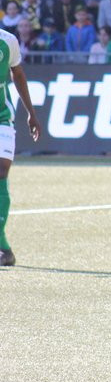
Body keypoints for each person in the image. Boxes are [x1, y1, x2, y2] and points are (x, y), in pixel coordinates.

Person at [0, 28, 43, 266]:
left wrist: (31, 113)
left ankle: (2, 249)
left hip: (2, 116)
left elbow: (18, 74)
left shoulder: (8, 41)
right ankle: (4, 246)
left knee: (1, 171)